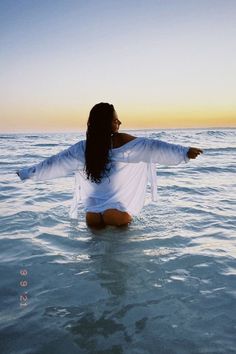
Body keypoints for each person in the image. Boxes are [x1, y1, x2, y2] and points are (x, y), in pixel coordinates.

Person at [17, 102, 203, 229]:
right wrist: (183, 151)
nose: (120, 123)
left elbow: (54, 164)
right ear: (107, 123)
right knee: (119, 267)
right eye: (115, 120)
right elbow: (152, 147)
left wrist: (28, 172)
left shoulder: (84, 148)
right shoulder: (122, 141)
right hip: (117, 213)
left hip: (91, 215)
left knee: (98, 265)